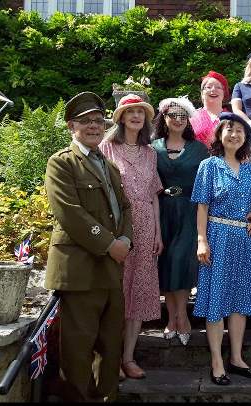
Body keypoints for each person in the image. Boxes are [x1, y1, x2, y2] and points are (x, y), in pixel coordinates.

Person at [44, 92, 133, 401]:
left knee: (110, 347)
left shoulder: (109, 167)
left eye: (98, 121)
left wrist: (125, 240)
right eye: (86, 122)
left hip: (109, 269)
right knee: (78, 349)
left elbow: (125, 209)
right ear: (72, 126)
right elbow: (70, 213)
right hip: (79, 271)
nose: (94, 126)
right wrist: (109, 243)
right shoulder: (61, 163)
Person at [191, 112, 251, 386]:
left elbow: (250, 203)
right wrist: (202, 240)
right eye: (229, 129)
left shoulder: (250, 169)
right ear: (219, 135)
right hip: (217, 236)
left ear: (246, 138)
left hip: (244, 239)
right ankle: (216, 361)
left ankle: (236, 358)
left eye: (240, 131)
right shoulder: (209, 166)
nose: (234, 135)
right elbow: (202, 205)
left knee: (239, 301)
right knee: (216, 300)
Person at [100, 93, 163, 380]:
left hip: (147, 225)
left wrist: (158, 233)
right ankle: (108, 358)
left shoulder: (151, 153)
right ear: (121, 118)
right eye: (130, 112)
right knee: (116, 292)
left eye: (141, 112)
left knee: (138, 292)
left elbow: (154, 196)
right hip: (119, 228)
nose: (136, 116)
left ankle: (128, 357)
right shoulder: (106, 149)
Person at [152, 97, 209, 345]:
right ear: (164, 118)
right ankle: (172, 318)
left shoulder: (199, 149)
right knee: (166, 263)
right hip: (161, 210)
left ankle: (182, 316)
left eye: (182, 116)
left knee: (182, 261)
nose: (177, 120)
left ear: (188, 120)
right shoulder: (152, 148)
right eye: (172, 115)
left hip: (190, 210)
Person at [190, 71, 231, 148]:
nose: (213, 90)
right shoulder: (192, 117)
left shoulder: (232, 117)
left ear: (224, 94)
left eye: (218, 87)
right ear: (202, 94)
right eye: (209, 87)